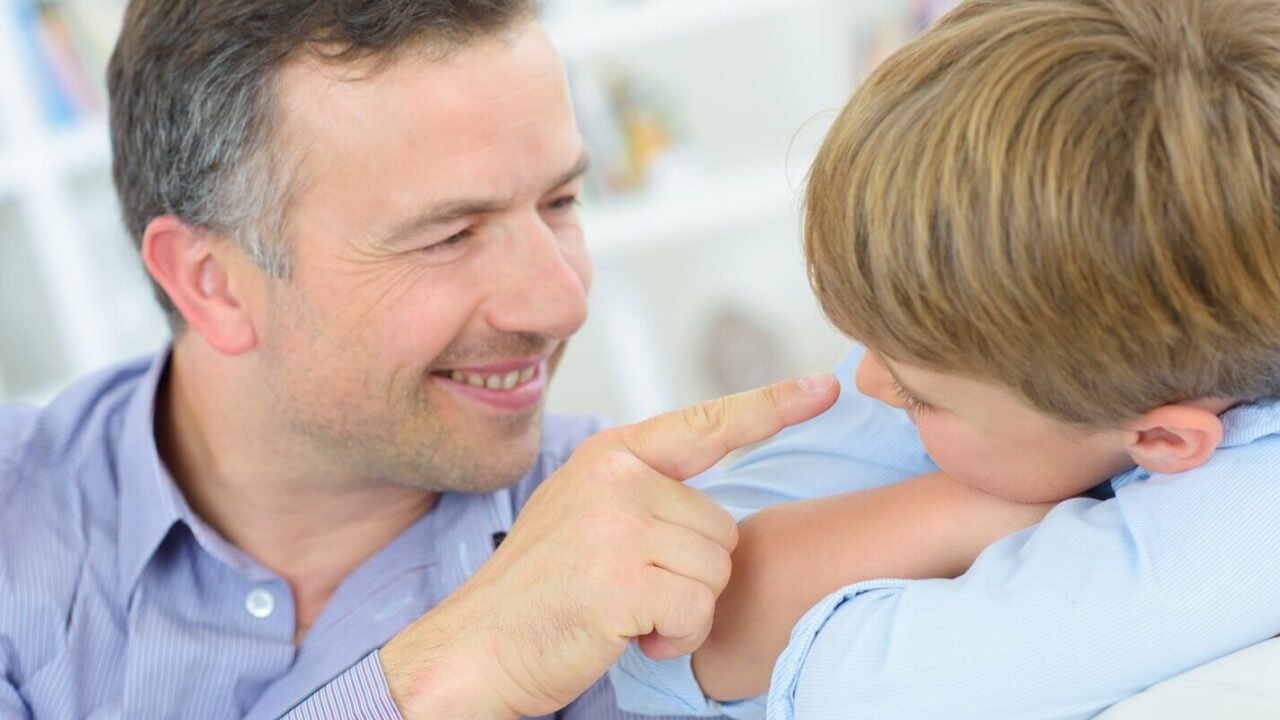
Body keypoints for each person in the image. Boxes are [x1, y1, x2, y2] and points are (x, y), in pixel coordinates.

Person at [0, 2, 862, 718]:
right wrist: (440, 680)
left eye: (560, 200)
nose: (562, 303)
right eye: (449, 236)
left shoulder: (646, 552)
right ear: (212, 283)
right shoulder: (19, 525)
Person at [611, 0, 1280, 717]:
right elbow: (658, 633)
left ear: (1162, 441)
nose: (867, 380)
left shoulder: (1244, 521)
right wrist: (977, 510)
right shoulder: (1002, 345)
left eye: (920, 397)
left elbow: (855, 690)